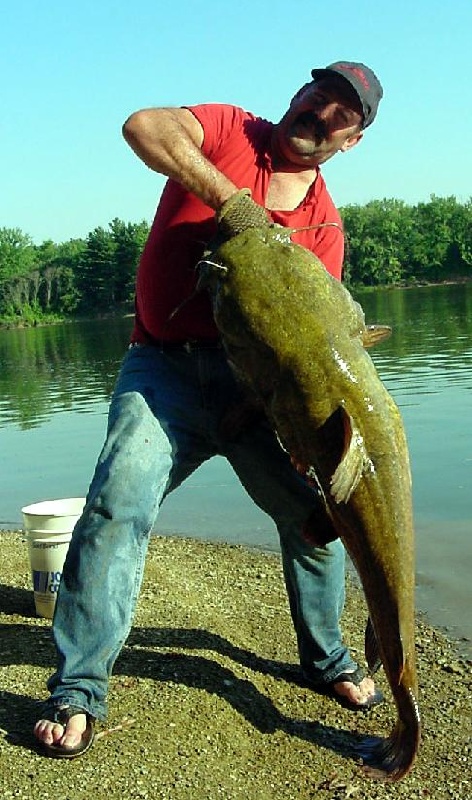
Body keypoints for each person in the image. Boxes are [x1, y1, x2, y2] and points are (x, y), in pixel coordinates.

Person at [34, 60, 384, 758]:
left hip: (254, 394)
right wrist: (236, 205)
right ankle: (79, 688)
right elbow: (144, 127)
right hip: (160, 368)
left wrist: (293, 428)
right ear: (298, 94)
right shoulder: (229, 130)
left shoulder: (324, 227)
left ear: (353, 141)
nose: (321, 112)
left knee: (318, 520)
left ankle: (327, 659)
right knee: (116, 507)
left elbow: (312, 354)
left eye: (343, 112)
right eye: (319, 94)